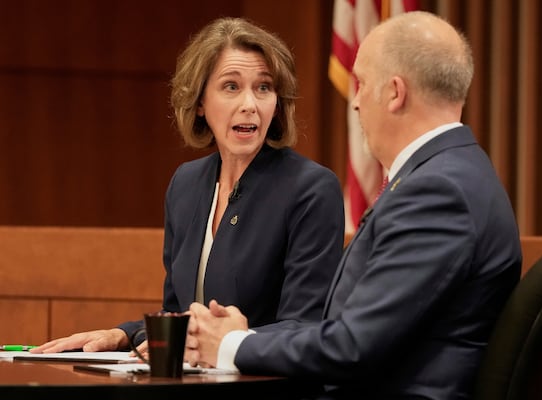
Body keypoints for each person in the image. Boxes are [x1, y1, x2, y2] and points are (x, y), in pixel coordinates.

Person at [184, 11, 522, 400]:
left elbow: (352, 347)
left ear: (395, 93)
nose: (356, 103)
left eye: (361, 83)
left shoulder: (437, 193)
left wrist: (231, 346)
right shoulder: (451, 174)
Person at [31, 17, 345, 354]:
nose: (250, 105)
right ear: (199, 102)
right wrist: (125, 335)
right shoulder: (187, 184)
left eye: (264, 87)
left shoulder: (311, 189)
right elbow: (179, 313)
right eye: (231, 86)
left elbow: (306, 328)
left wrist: (227, 344)